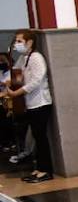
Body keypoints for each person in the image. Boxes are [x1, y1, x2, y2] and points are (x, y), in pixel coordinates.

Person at [4, 31, 54, 183]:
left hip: (41, 103)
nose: (16, 44)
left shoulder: (36, 58)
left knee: (41, 138)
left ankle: (46, 171)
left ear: (30, 42)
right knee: (37, 138)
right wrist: (7, 82)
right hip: (31, 104)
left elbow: (37, 80)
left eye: (19, 41)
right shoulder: (24, 58)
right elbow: (14, 73)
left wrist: (17, 92)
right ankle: (39, 168)